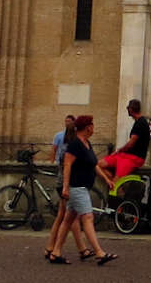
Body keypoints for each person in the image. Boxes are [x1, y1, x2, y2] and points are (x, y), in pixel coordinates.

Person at [54, 113, 116, 267]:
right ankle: (99, 253)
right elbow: (67, 165)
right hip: (77, 187)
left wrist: (106, 179)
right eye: (92, 125)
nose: (94, 127)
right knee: (87, 217)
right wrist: (66, 187)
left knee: (68, 220)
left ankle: (55, 252)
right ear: (88, 127)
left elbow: (94, 164)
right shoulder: (75, 144)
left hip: (83, 187)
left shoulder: (87, 144)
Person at [97, 99, 150, 185]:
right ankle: (111, 181)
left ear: (131, 109)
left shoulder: (140, 123)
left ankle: (114, 185)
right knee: (99, 164)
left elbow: (131, 143)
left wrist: (120, 150)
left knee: (116, 182)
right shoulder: (141, 122)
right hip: (126, 157)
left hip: (132, 158)